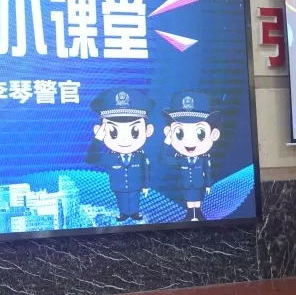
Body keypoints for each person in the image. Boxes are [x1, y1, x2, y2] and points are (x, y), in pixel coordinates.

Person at [86, 88, 155, 222]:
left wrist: (146, 186)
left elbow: (145, 171)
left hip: (136, 186)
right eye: (113, 132)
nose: (124, 139)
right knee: (121, 199)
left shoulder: (140, 157)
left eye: (135, 131)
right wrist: (97, 139)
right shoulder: (109, 157)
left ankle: (134, 212)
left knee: (135, 198)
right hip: (118, 186)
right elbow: (91, 159)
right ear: (99, 130)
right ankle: (123, 213)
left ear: (148, 130)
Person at [161, 90, 222, 222]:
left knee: (197, 198)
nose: (189, 141)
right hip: (185, 184)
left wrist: (208, 185)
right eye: (180, 133)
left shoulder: (204, 158)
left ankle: (198, 213)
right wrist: (167, 142)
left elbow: (207, 171)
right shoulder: (180, 158)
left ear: (214, 134)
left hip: (199, 183)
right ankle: (190, 214)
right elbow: (165, 159)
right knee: (189, 198)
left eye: (200, 134)